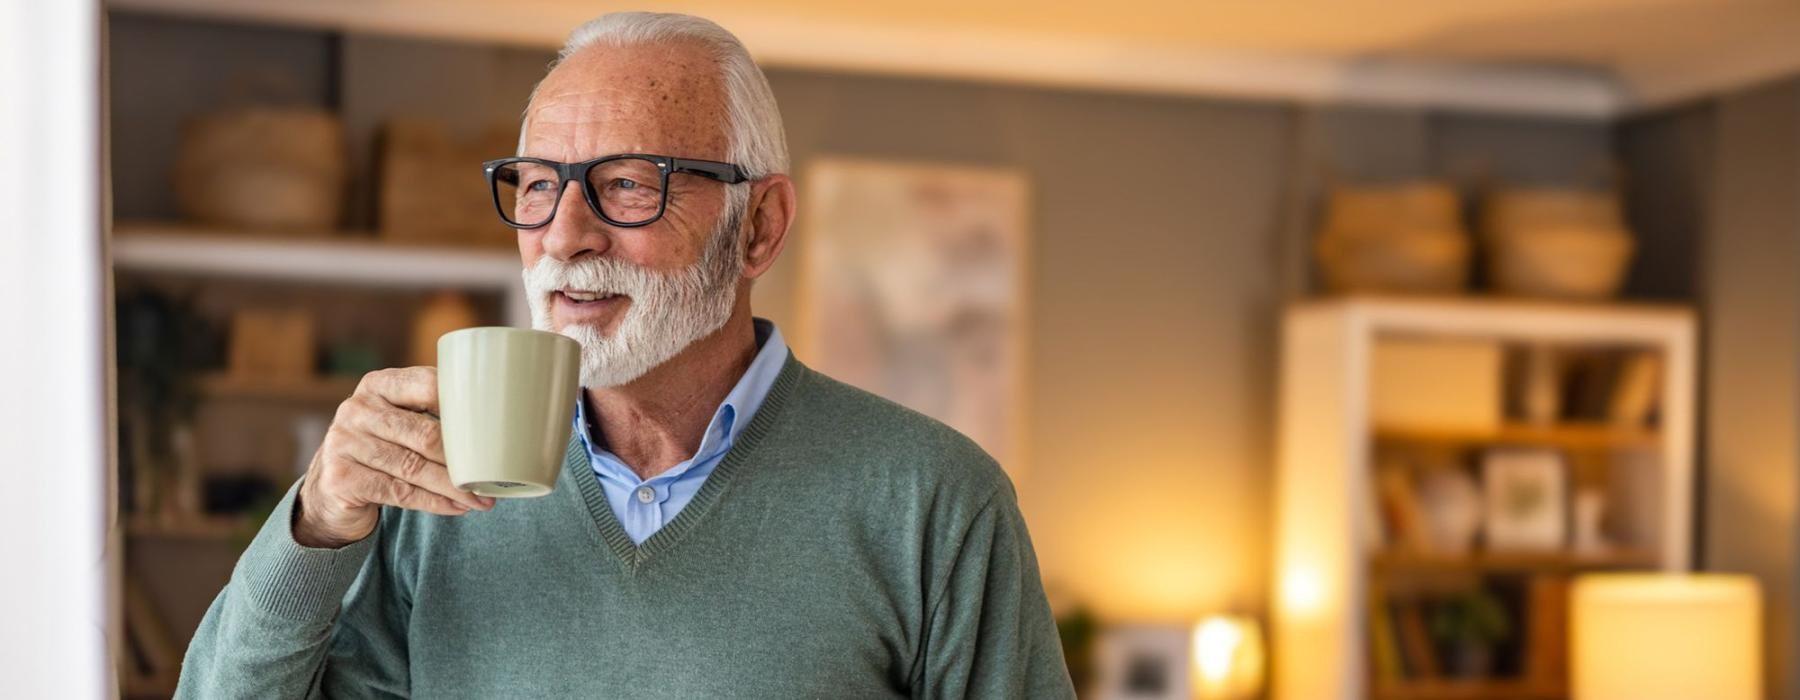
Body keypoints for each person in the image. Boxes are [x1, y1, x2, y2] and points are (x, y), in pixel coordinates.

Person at [175, 11, 1074, 699]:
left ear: (758, 227)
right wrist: (320, 518)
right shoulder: (427, 486)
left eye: (628, 185)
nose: (563, 236)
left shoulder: (936, 500)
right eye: (536, 185)